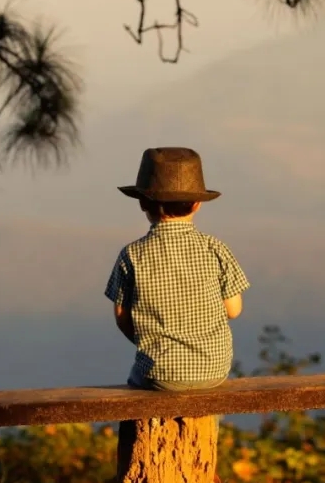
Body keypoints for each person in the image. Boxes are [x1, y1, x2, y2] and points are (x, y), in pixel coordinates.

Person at [105, 147, 250, 392]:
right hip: (214, 370)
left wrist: (153, 346)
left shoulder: (131, 255)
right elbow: (233, 310)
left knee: (136, 379)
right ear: (197, 204)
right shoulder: (215, 248)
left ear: (142, 203)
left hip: (159, 373)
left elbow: (122, 317)